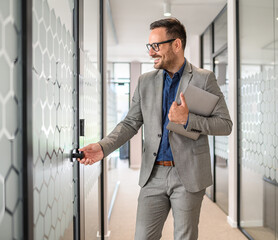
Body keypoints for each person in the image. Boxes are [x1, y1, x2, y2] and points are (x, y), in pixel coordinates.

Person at [78, 18, 232, 240]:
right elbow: (130, 123)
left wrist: (188, 119)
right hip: (153, 175)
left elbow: (225, 124)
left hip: (188, 174)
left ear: (176, 44)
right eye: (149, 46)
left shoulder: (203, 78)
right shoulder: (145, 81)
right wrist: (103, 148)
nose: (151, 52)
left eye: (156, 46)